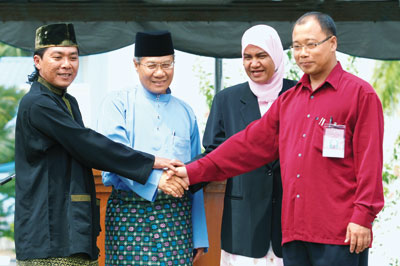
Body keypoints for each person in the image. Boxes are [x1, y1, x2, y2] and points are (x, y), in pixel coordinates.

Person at [174, 12, 384, 266]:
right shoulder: (289, 101)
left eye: (311, 44)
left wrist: (362, 217)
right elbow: (245, 146)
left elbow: (369, 164)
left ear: (332, 43)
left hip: (340, 234)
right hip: (294, 235)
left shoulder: (360, 95)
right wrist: (191, 171)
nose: (303, 53)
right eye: (296, 46)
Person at [14, 23, 182, 266]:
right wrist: (151, 162)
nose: (66, 64)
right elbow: (87, 144)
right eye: (57, 57)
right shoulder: (38, 103)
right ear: (38, 61)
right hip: (49, 234)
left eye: (73, 57)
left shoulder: (66, 101)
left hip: (71, 229)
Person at [97, 31, 209, 266]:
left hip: (176, 219)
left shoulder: (186, 111)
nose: (160, 73)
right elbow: (114, 156)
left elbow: (195, 173)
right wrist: (155, 180)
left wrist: (199, 235)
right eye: (151, 65)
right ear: (136, 65)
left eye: (167, 64)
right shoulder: (117, 104)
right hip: (129, 216)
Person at [193, 25, 295, 266]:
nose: (254, 64)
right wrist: (182, 178)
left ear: (277, 56)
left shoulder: (299, 94)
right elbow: (213, 155)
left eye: (261, 56)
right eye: (247, 57)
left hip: (292, 221)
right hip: (242, 223)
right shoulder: (226, 100)